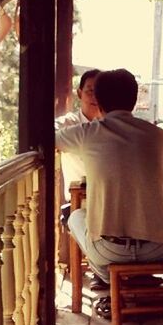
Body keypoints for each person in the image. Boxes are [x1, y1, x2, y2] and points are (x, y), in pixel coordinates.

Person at [56, 68, 163, 315]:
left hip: (109, 252)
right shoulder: (160, 136)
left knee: (75, 215)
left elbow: (51, 139)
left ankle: (111, 282)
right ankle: (147, 286)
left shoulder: (87, 133)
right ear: (134, 100)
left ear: (99, 100)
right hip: (159, 248)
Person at [55, 70, 103, 284]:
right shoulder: (68, 124)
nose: (95, 97)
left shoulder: (113, 126)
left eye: (101, 92)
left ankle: (115, 272)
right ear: (79, 93)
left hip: (111, 202)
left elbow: (155, 129)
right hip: (79, 204)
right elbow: (47, 134)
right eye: (90, 91)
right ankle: (107, 272)